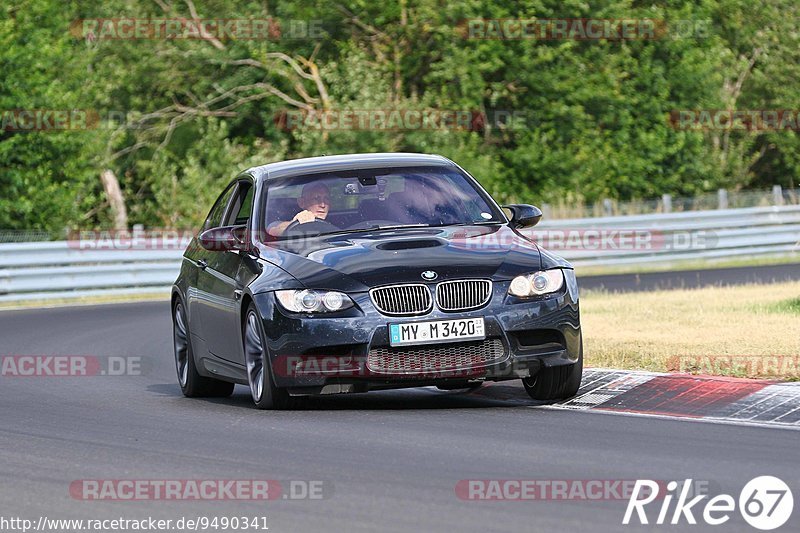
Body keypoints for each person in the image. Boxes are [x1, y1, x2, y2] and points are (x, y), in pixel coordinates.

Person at [267, 182, 332, 237]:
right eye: (316, 198)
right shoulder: (284, 223)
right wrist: (295, 223)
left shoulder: (340, 222)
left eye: (326, 198)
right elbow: (273, 230)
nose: (323, 205)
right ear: (302, 203)